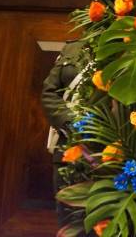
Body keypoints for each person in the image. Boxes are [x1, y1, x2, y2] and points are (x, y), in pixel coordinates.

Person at [40, 39, 86, 226]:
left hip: (112, 152)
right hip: (69, 147)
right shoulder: (73, 47)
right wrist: (73, 124)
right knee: (69, 223)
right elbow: (49, 93)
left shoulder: (127, 42)